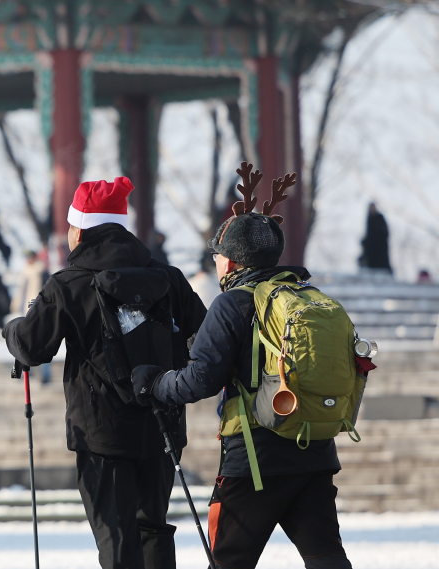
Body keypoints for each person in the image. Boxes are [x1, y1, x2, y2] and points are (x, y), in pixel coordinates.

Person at [132, 170, 355, 569]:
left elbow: (201, 378)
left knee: (227, 562)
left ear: (231, 260)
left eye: (217, 254)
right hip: (316, 449)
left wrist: (157, 383)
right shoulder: (307, 294)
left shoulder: (232, 303)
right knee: (326, 557)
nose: (215, 261)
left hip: (255, 459)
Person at [2, 176, 207, 569]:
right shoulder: (169, 278)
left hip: (101, 434)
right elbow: (205, 338)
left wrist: (11, 328)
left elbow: (31, 346)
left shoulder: (68, 285)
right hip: (162, 424)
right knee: (154, 529)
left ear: (78, 229)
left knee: (116, 536)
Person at [13, 249, 51, 383]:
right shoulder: (25, 272)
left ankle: (45, 374)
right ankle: (26, 372)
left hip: (39, 312)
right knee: (25, 342)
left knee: (42, 342)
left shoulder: (42, 272)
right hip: (25, 311)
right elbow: (20, 291)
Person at [359, 202, 391, 273]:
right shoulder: (369, 219)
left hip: (380, 248)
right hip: (372, 249)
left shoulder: (380, 218)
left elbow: (385, 232)